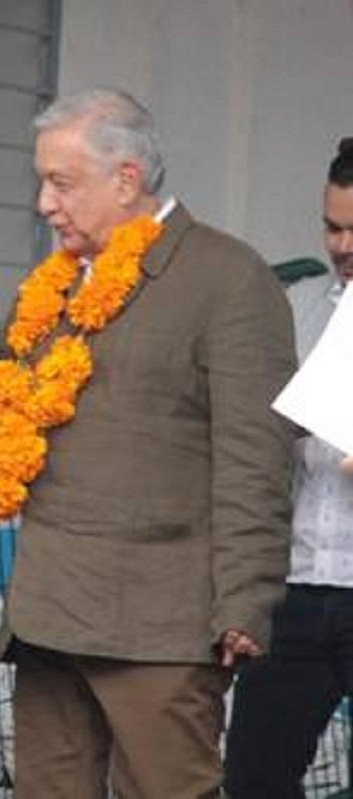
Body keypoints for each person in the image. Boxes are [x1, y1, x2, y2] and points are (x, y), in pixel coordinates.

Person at [0, 87, 296, 797]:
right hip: (51, 614)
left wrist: (245, 602)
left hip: (162, 625)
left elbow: (258, 458)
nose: (43, 203)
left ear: (126, 179)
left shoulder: (229, 279)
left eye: (61, 182)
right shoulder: (57, 285)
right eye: (42, 181)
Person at [224, 138, 353, 798]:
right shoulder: (295, 307)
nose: (342, 244)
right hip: (296, 591)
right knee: (253, 780)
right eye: (333, 226)